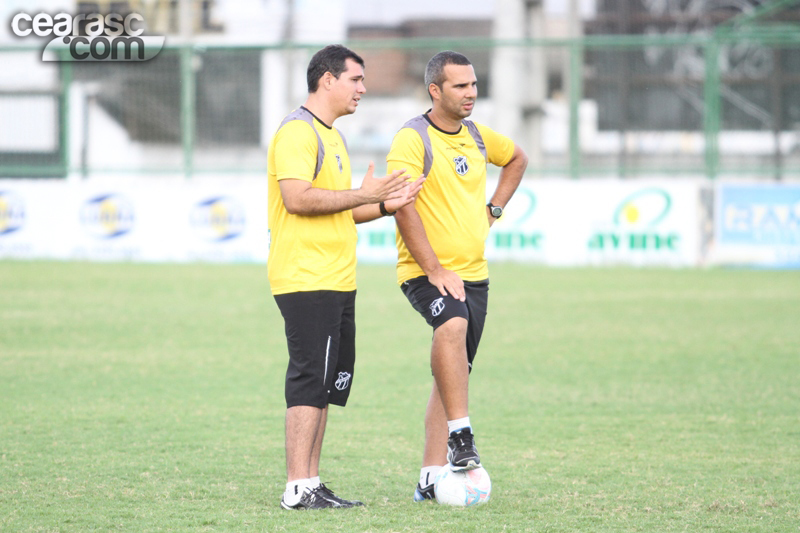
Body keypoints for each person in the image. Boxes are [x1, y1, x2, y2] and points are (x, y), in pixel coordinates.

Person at [268, 44, 424, 510]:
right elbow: (297, 199)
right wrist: (361, 193)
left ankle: (311, 483)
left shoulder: (332, 135)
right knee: (308, 378)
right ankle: (297, 487)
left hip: (336, 277)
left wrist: (382, 205)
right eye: (355, 79)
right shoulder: (298, 132)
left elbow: (341, 210)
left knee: (327, 382)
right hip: (306, 275)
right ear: (327, 80)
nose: (363, 88)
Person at [386, 51, 528, 501]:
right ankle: (461, 438)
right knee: (451, 323)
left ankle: (429, 479)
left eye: (473, 84)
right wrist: (433, 268)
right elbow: (401, 205)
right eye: (460, 86)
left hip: (474, 275)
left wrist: (494, 210)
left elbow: (518, 159)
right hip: (424, 271)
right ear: (435, 90)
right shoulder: (412, 139)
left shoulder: (477, 137)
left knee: (452, 376)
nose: (471, 93)